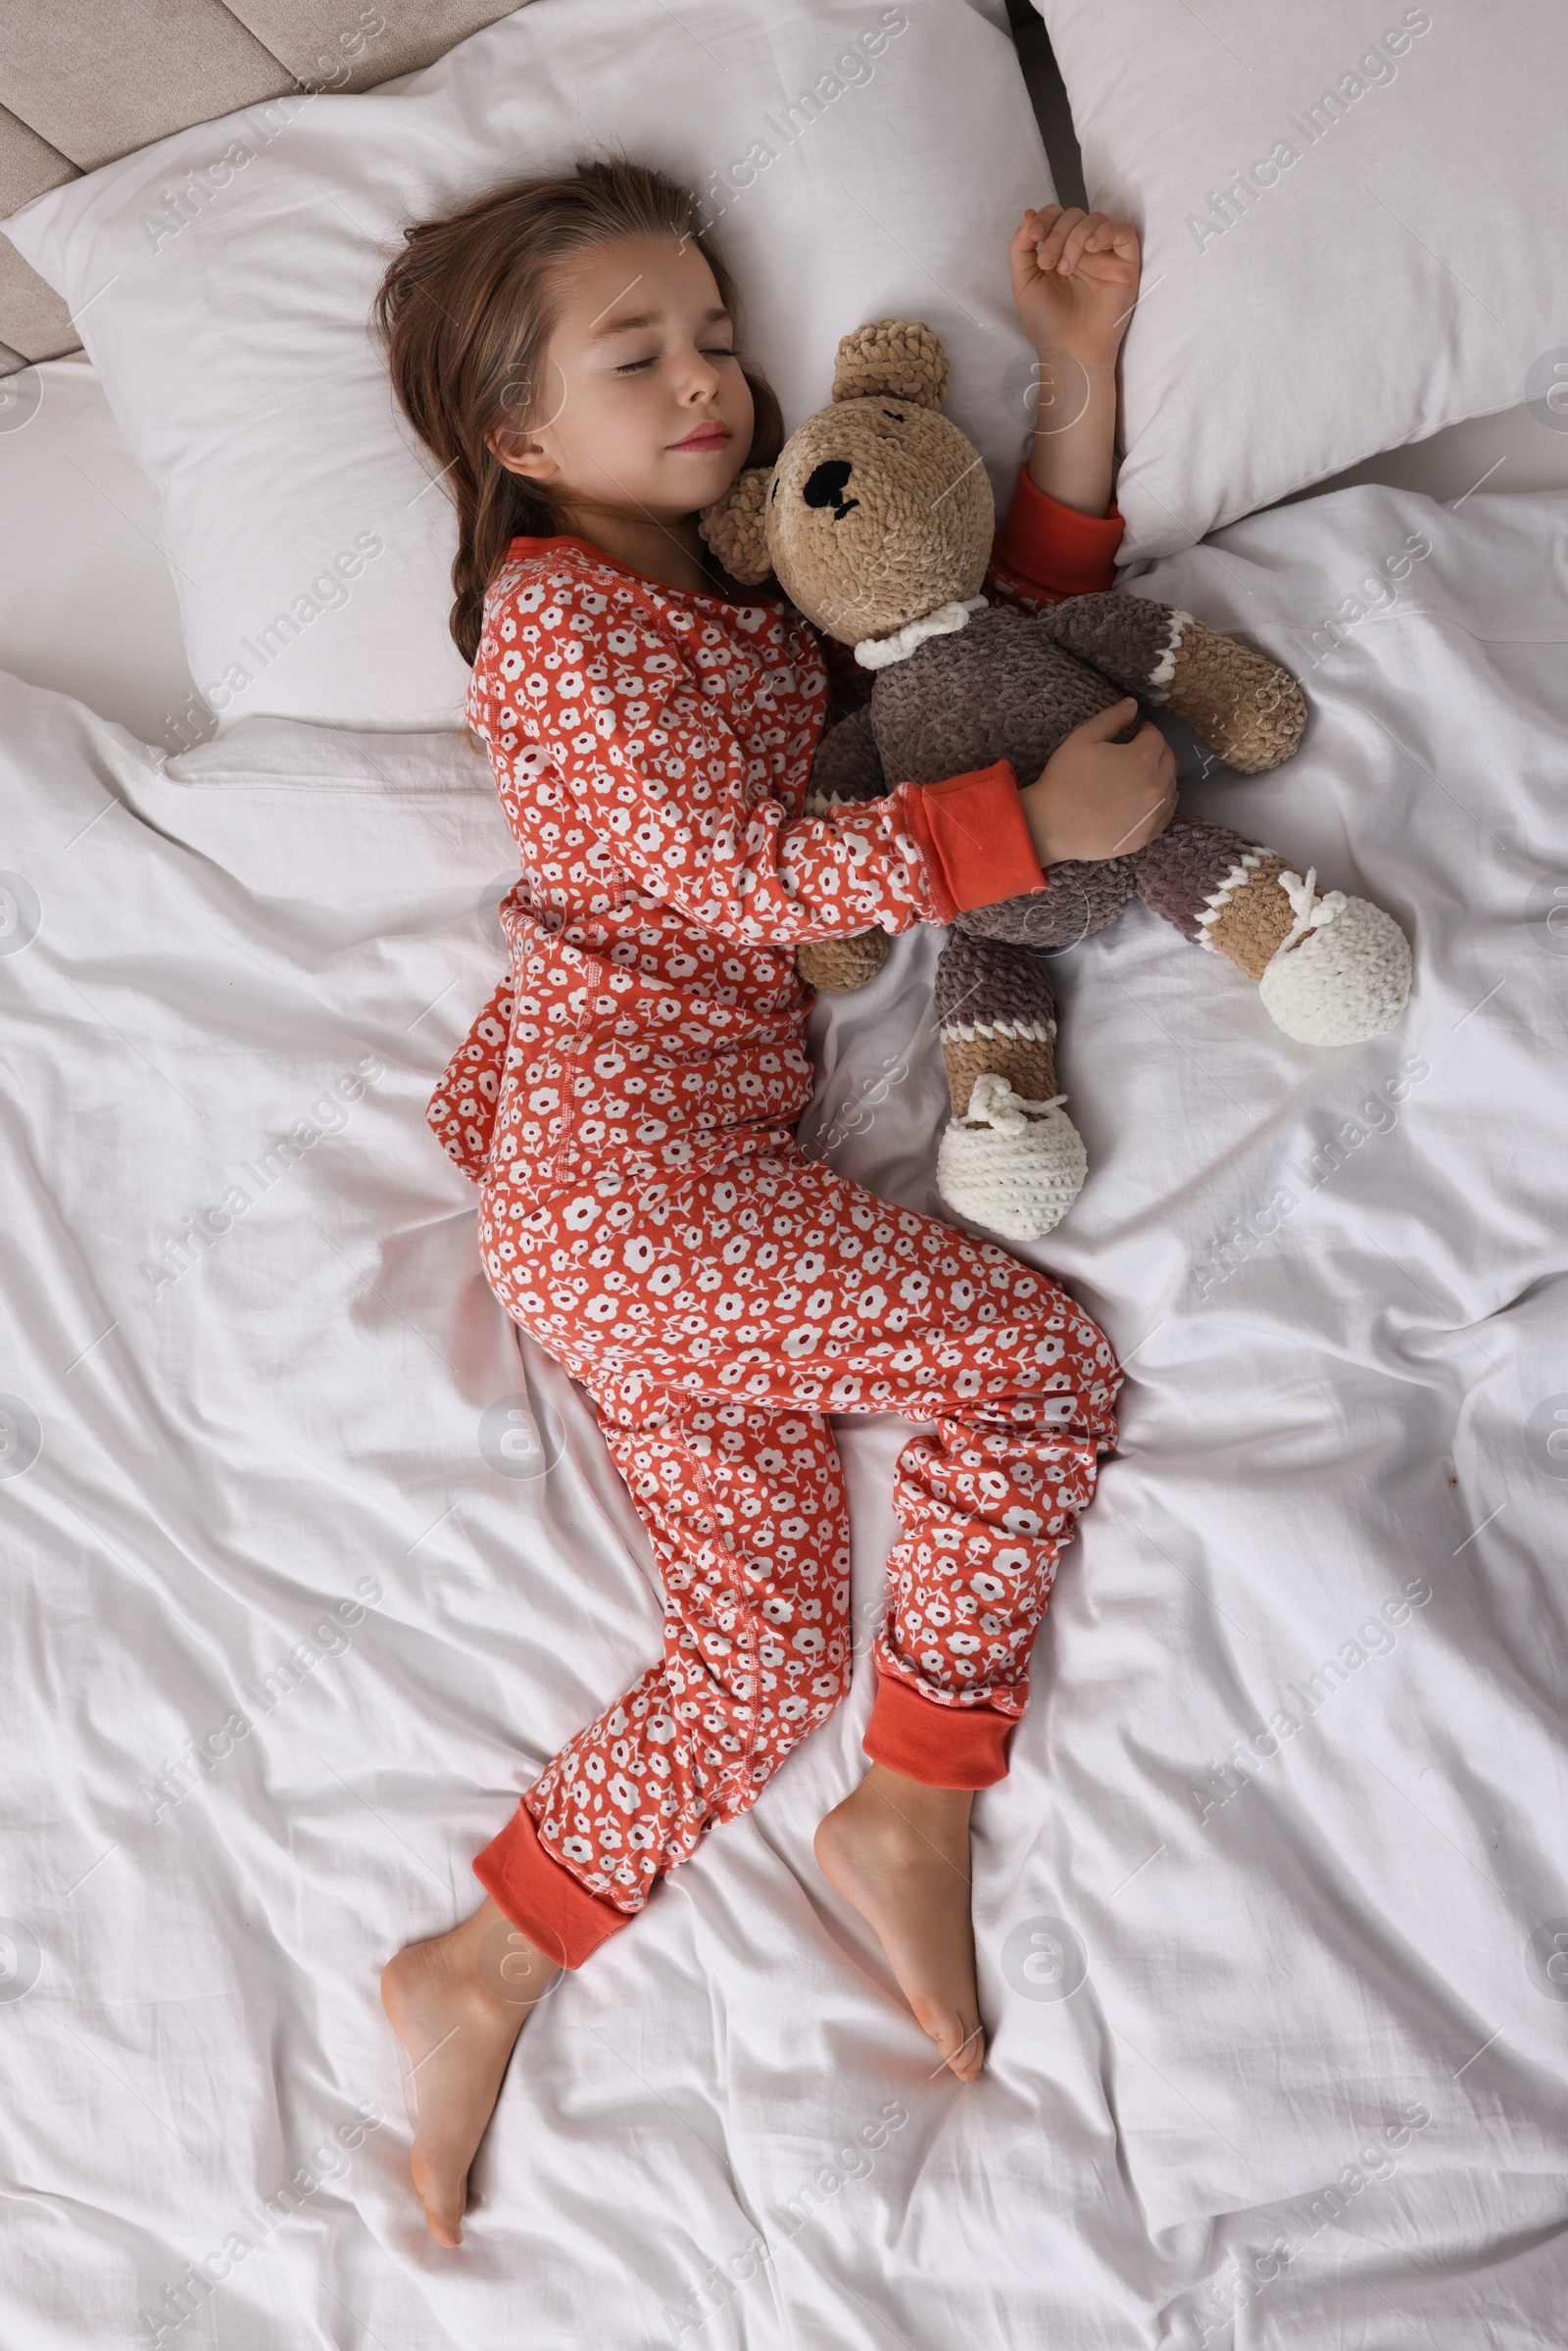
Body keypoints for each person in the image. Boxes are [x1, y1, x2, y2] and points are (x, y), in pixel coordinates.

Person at [375, 160, 1168, 2247]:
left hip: (653, 1213)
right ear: (517, 441)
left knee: (753, 1651)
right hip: (627, 1187)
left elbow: (962, 651)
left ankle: (485, 1957)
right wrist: (1006, 835)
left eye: (718, 336)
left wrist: (1074, 378)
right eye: (639, 356)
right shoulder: (553, 624)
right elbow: (742, 880)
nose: (711, 380)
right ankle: (914, 1800)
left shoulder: (738, 600)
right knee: (1027, 1370)